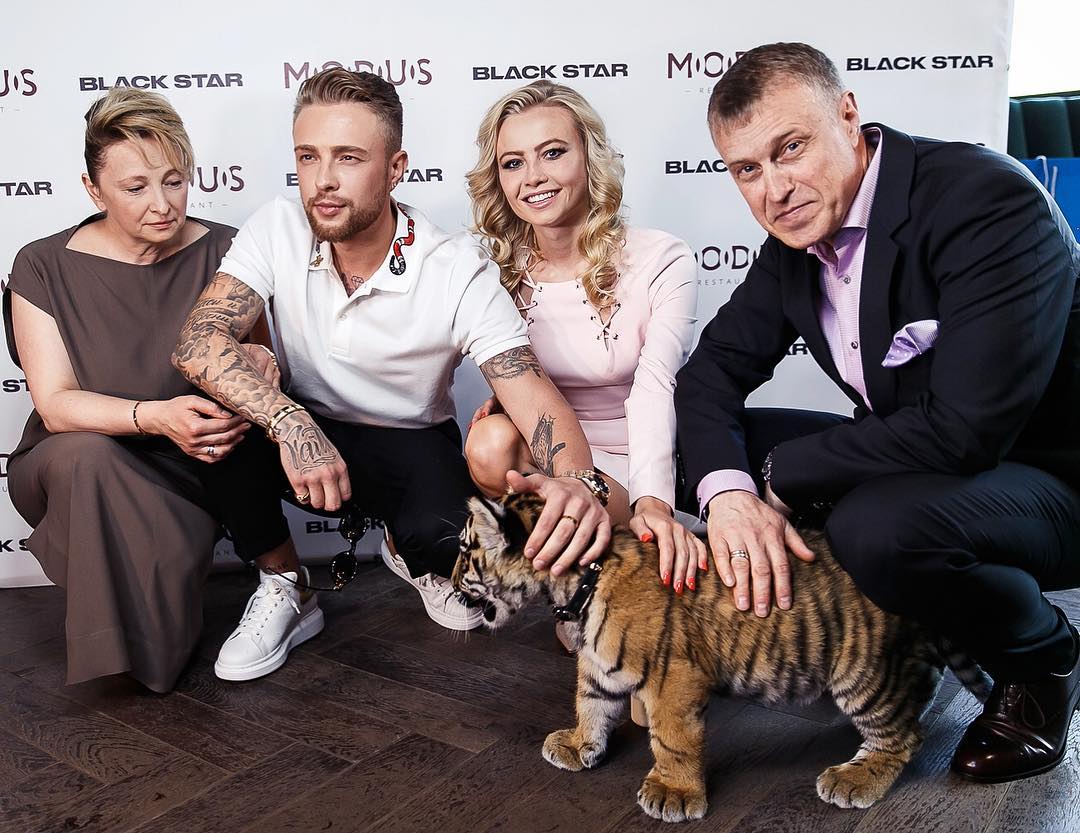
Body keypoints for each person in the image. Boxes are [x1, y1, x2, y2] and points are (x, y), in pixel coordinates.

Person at [675, 41, 1080, 782]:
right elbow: (709, 377)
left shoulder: (985, 202)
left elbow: (966, 431)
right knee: (701, 458)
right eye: (747, 170)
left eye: (789, 149)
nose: (774, 190)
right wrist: (731, 496)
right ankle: (869, 627)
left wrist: (782, 475)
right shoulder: (797, 238)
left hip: (1043, 479)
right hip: (926, 460)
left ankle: (1043, 659)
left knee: (878, 528)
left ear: (848, 115)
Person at [172, 69, 611, 681]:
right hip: (302, 428)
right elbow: (198, 342)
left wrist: (578, 485)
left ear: (396, 168)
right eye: (308, 156)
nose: (323, 180)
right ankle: (286, 583)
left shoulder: (453, 267)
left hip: (408, 441)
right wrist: (289, 421)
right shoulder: (278, 225)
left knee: (454, 547)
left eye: (348, 158)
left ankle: (410, 550)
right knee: (212, 407)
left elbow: (531, 393)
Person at [3, 88, 272, 692]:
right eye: (135, 187)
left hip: (194, 459)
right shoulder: (42, 265)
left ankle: (153, 641)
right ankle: (118, 649)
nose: (162, 204)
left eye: (174, 181)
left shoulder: (230, 250)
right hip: (72, 459)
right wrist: (155, 416)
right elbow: (56, 405)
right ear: (93, 189)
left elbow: (257, 365)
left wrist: (260, 365)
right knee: (87, 457)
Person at [465, 81, 705, 593]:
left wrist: (652, 503)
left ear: (590, 158)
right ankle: (576, 579)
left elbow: (655, 387)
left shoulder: (661, 258)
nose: (534, 177)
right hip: (554, 459)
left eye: (553, 153)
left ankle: (650, 532)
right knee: (489, 443)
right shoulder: (494, 276)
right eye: (513, 163)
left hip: (646, 456)